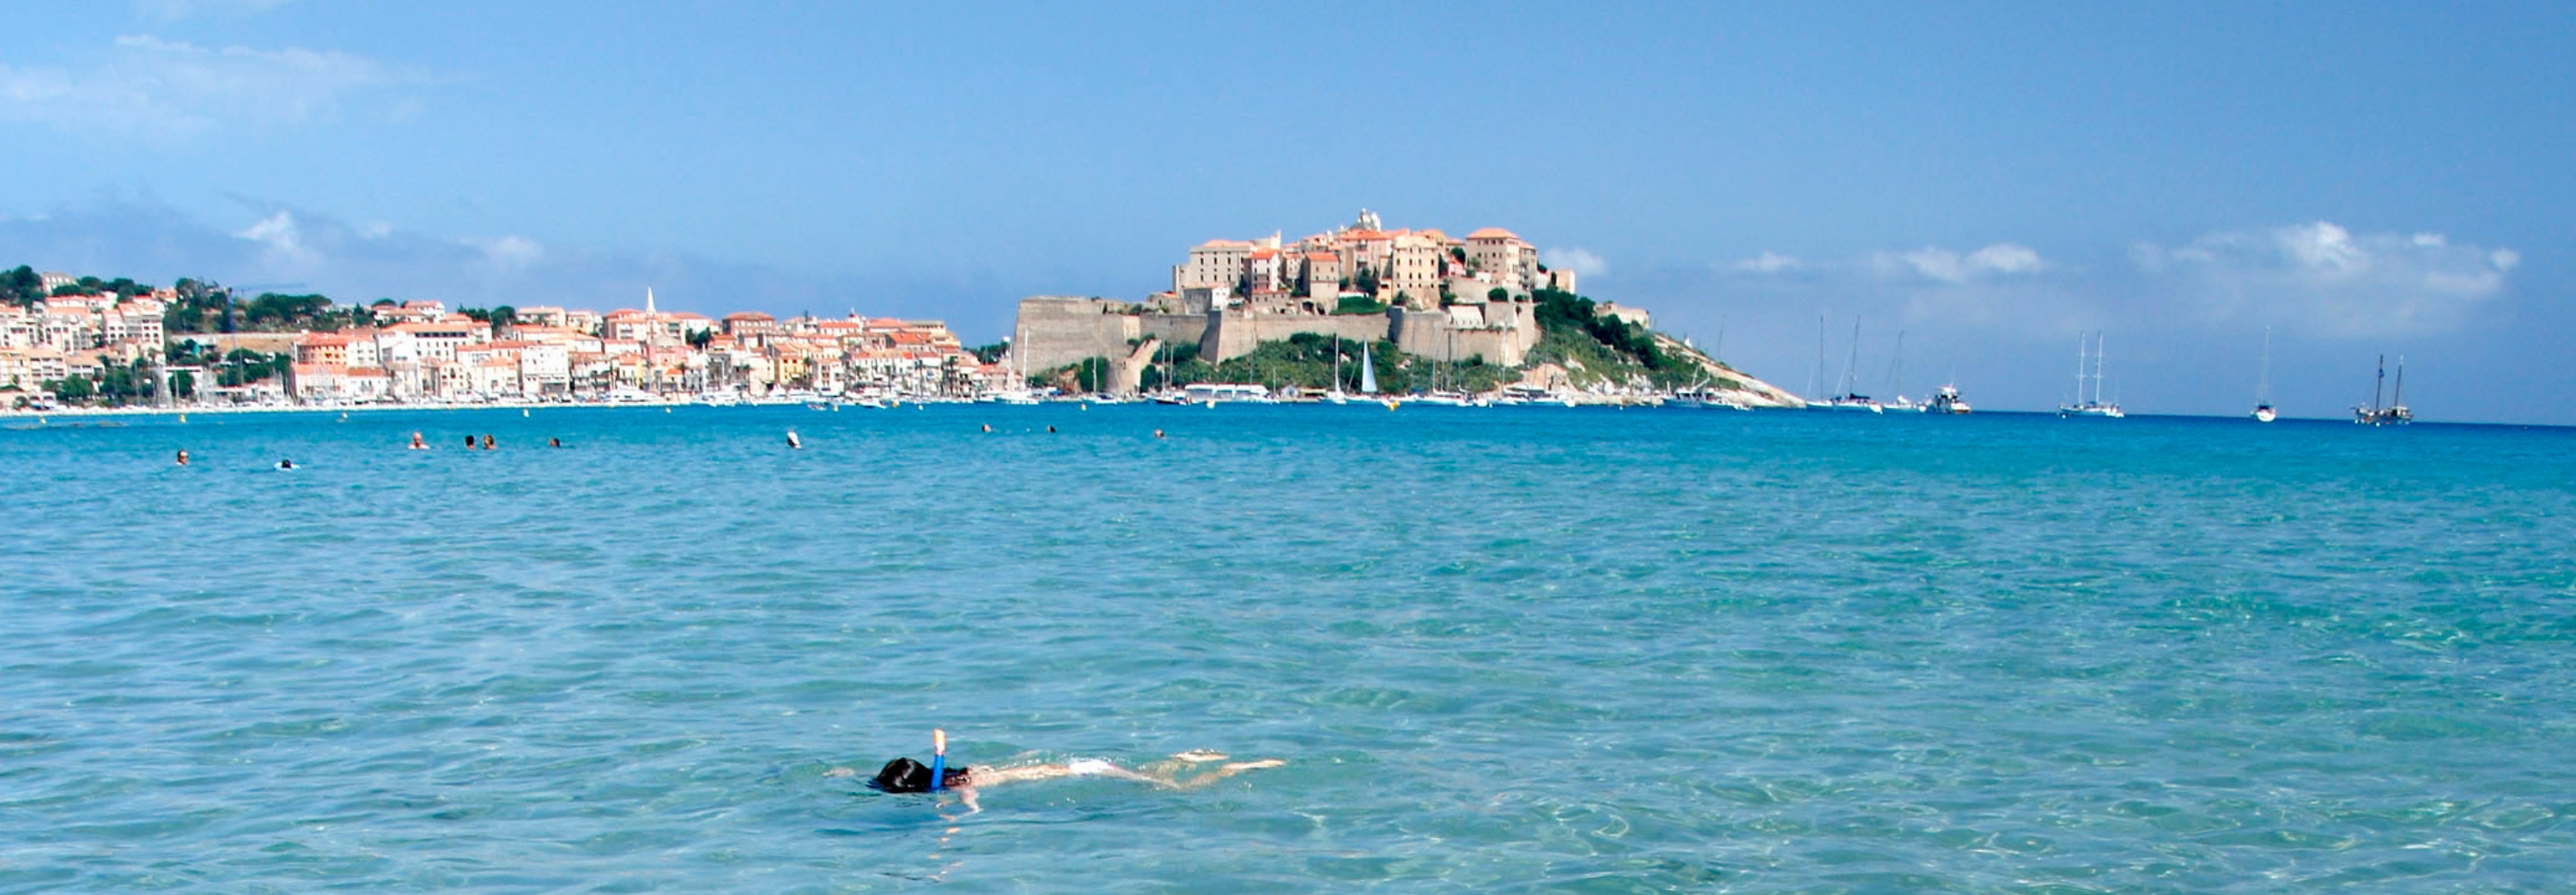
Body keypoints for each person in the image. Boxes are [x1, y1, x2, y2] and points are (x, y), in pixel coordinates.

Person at [832, 750, 1284, 807]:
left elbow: (968, 800)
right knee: (1151, 776)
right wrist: (843, 772)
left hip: (1084, 769)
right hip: (1081, 764)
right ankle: (1183, 756)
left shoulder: (953, 785)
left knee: (1179, 790)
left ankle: (1238, 767)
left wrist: (966, 814)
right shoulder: (947, 775)